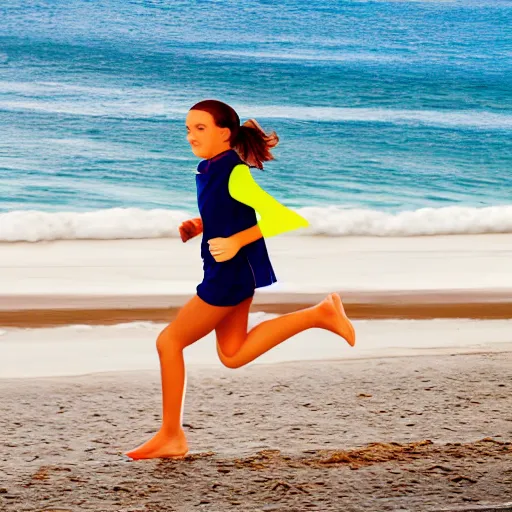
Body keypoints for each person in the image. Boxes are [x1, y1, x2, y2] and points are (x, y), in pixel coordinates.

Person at [125, 100, 355, 460]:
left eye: (200, 128)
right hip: (227, 272)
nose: (191, 136)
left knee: (169, 342)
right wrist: (199, 225)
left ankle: (172, 436)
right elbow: (230, 212)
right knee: (232, 355)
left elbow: (284, 217)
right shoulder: (209, 168)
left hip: (230, 275)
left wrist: (234, 240)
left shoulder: (235, 172)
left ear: (224, 133)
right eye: (188, 129)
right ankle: (319, 315)